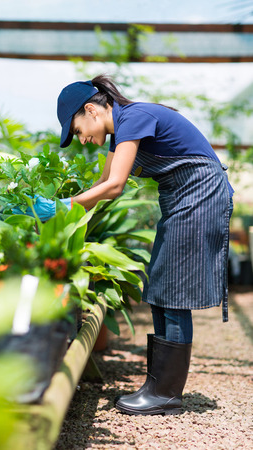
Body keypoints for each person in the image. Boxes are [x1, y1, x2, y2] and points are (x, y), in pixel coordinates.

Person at [28, 74, 234, 416]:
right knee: (159, 287)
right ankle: (158, 385)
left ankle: (166, 393)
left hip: (200, 196)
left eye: (78, 130)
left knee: (173, 291)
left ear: (91, 110)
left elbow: (115, 187)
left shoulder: (134, 118)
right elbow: (103, 183)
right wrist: (60, 211)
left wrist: (64, 207)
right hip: (182, 199)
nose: (82, 139)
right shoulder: (121, 129)